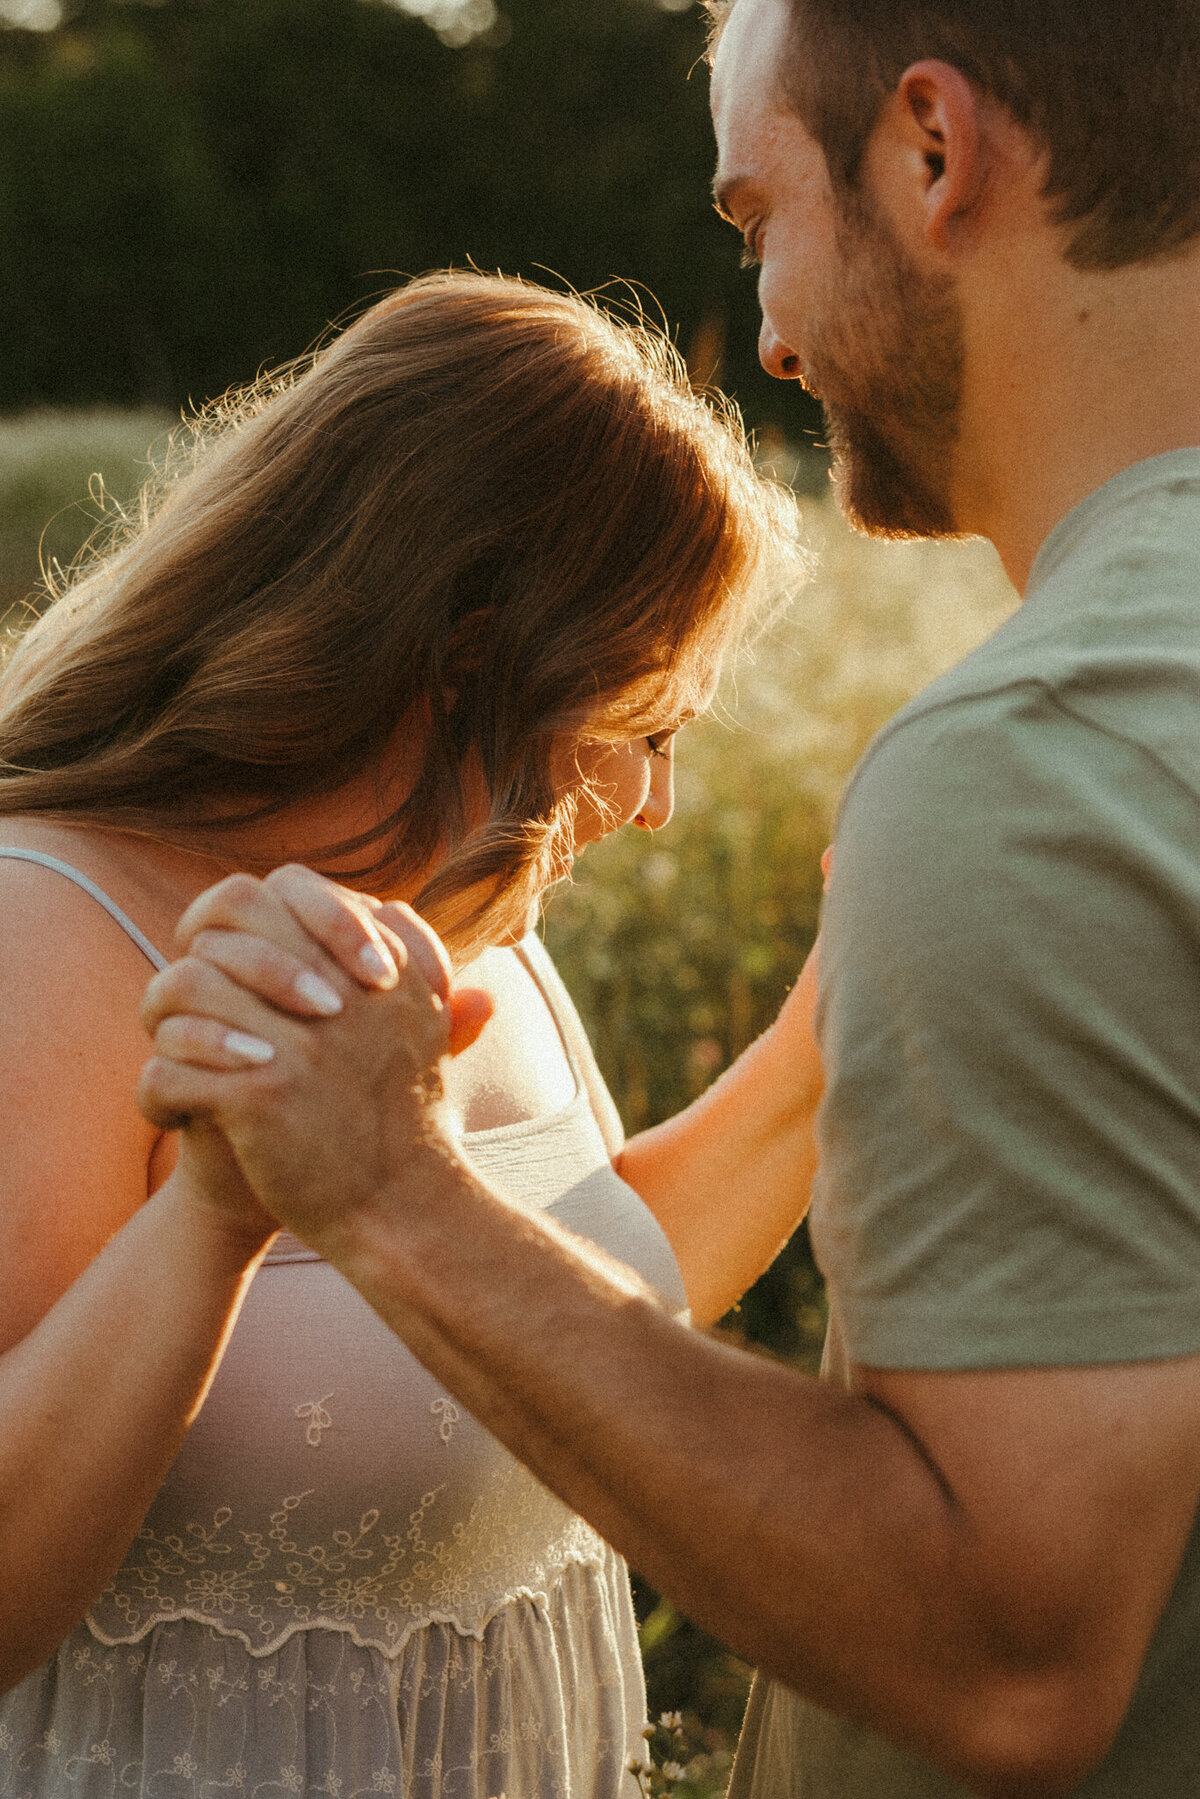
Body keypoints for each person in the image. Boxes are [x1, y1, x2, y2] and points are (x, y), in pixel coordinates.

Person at [138, 0, 1200, 1793]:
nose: (766, 332)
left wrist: (389, 1191)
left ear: (932, 153)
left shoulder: (1041, 756)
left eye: (752, 219)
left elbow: (1010, 1669)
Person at [0, 270, 804, 1798]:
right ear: (466, 660)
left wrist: (828, 1053)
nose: (653, 804)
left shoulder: (475, 917)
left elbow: (554, 1323)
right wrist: (219, 1219)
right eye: (642, 725)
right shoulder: (40, 931)